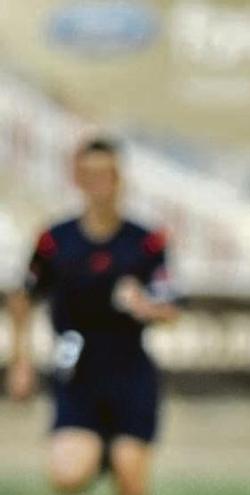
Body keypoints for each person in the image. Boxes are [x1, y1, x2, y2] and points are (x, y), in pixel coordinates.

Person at [5, 137, 179, 495]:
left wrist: (143, 305)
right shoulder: (56, 240)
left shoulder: (146, 242)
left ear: (119, 179)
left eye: (108, 174)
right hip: (78, 373)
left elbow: (171, 307)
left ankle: (116, 454)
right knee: (68, 474)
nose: (100, 183)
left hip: (130, 374)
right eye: (91, 174)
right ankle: (95, 451)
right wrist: (20, 360)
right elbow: (23, 297)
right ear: (78, 179)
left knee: (131, 479)